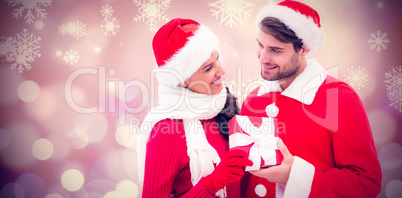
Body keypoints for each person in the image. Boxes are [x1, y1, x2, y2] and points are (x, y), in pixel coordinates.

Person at [239, 0, 382, 197]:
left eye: (275, 50)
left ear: (304, 48)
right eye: (260, 45)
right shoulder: (253, 100)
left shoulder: (340, 98)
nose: (263, 57)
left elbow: (366, 182)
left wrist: (294, 177)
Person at [137, 18, 253, 197]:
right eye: (208, 68)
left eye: (218, 59)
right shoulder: (166, 131)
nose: (221, 71)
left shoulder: (225, 107)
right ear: (182, 80)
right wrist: (213, 183)